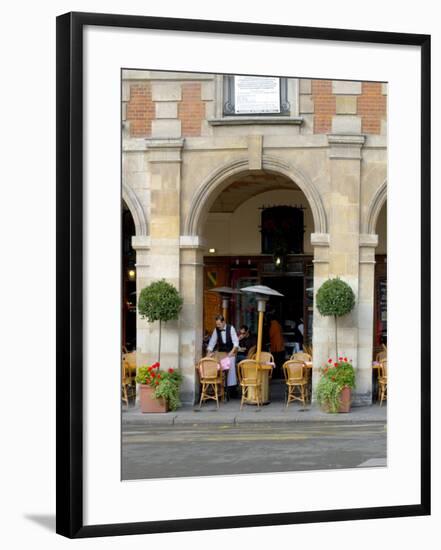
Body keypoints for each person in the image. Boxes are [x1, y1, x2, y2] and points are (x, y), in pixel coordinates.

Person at [206, 315, 239, 397]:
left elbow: (236, 343)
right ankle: (219, 387)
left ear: (223, 322)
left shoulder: (231, 328)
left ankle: (230, 389)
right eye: (217, 324)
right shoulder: (216, 330)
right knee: (216, 366)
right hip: (221, 353)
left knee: (230, 368)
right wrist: (208, 355)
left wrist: (231, 353)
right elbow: (212, 343)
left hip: (230, 352)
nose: (218, 326)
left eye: (219, 324)